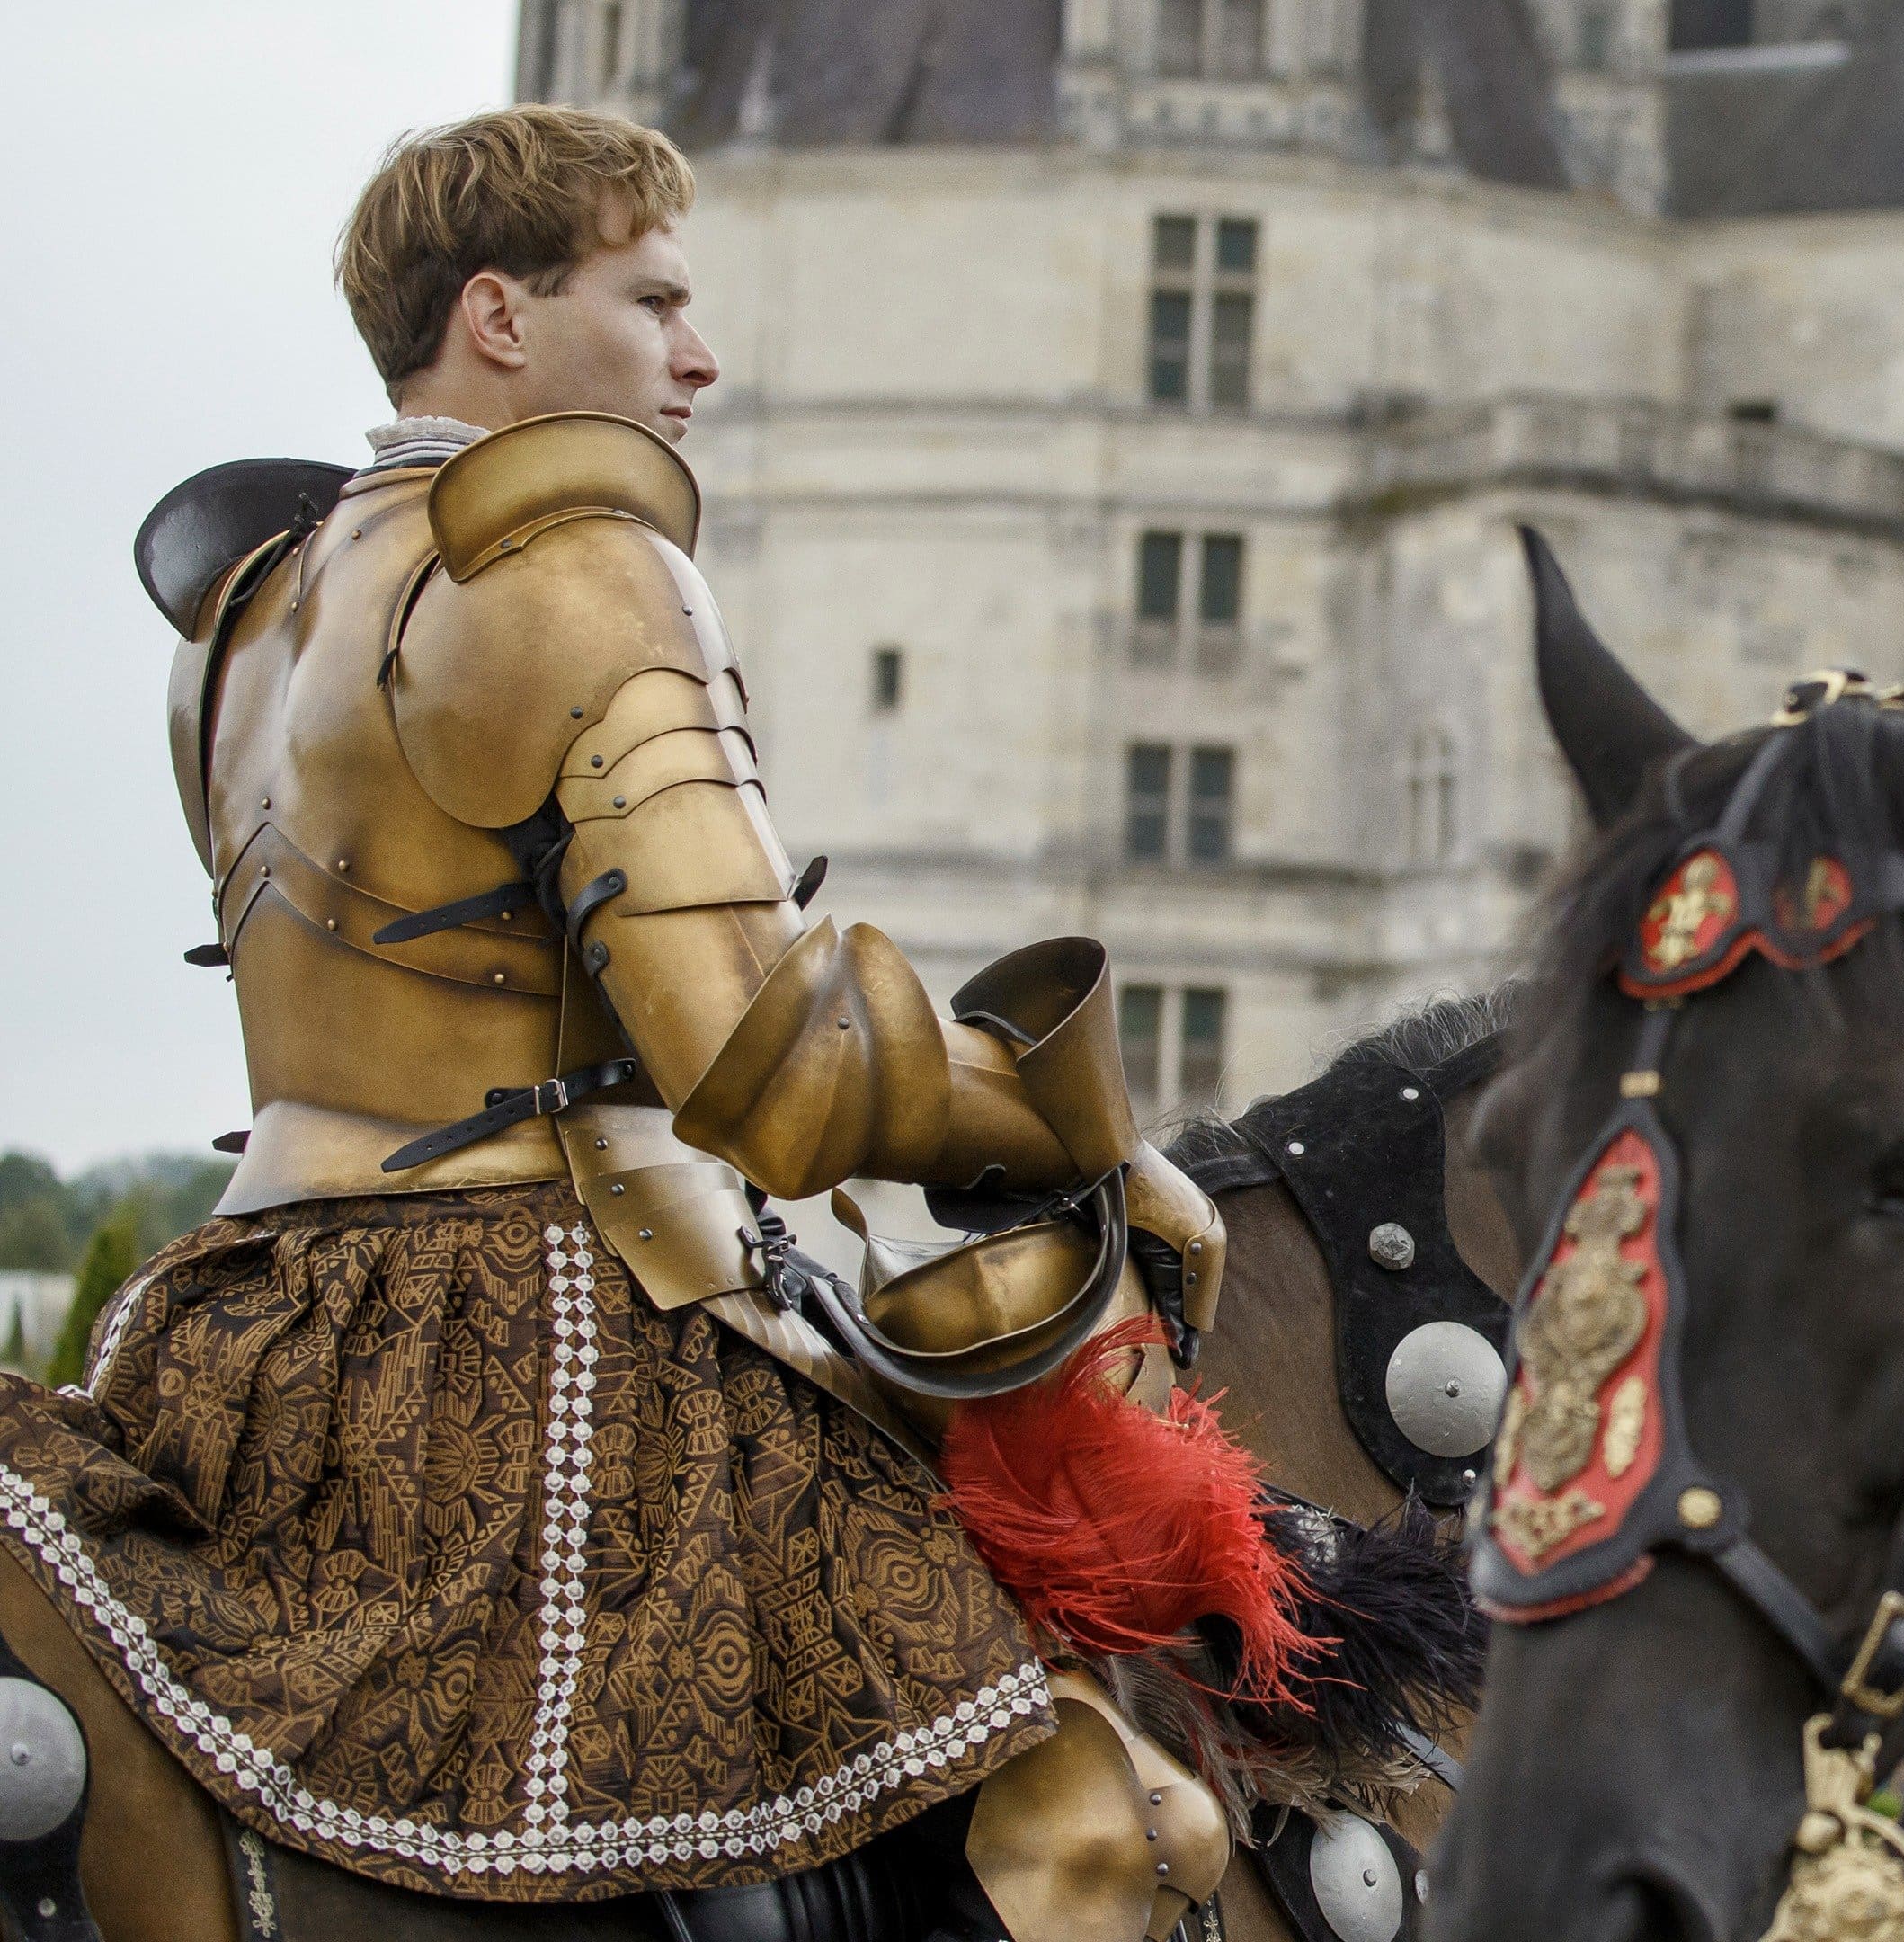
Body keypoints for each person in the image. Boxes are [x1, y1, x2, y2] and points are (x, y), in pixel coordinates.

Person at [10, 105, 1241, 1940]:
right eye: (653, 299)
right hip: (548, 1330)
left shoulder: (246, 616)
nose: (701, 353)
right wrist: (1080, 1127)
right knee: (1096, 1833)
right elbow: (775, 1074)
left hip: (248, 1328)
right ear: (500, 316)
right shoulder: (570, 563)